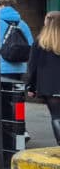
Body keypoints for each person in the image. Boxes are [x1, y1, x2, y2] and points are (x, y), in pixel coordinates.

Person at [26, 11, 60, 144]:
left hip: (48, 86)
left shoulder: (40, 42)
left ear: (48, 21)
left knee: (56, 115)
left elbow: (32, 67)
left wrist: (30, 86)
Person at [0, 0, 34, 76]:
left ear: (2, 6)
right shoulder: (23, 23)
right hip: (20, 68)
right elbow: (31, 44)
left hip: (1, 68)